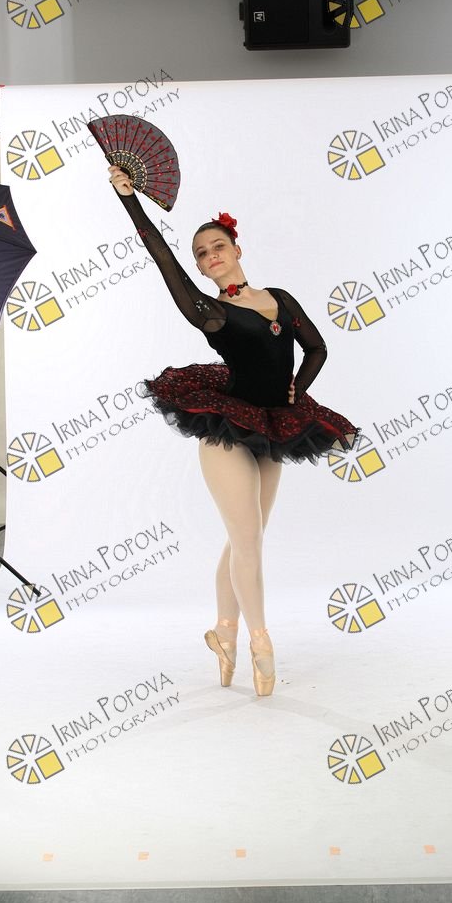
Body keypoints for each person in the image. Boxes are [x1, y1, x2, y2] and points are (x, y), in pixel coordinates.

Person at [108, 166, 359, 697]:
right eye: (201, 254)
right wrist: (129, 199)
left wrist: (295, 390)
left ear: (236, 248)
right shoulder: (211, 312)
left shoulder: (280, 298)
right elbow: (161, 257)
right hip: (226, 429)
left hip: (272, 426)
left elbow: (317, 348)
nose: (209, 256)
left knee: (247, 538)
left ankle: (223, 631)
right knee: (248, 541)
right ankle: (260, 642)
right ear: (200, 268)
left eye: (216, 246)